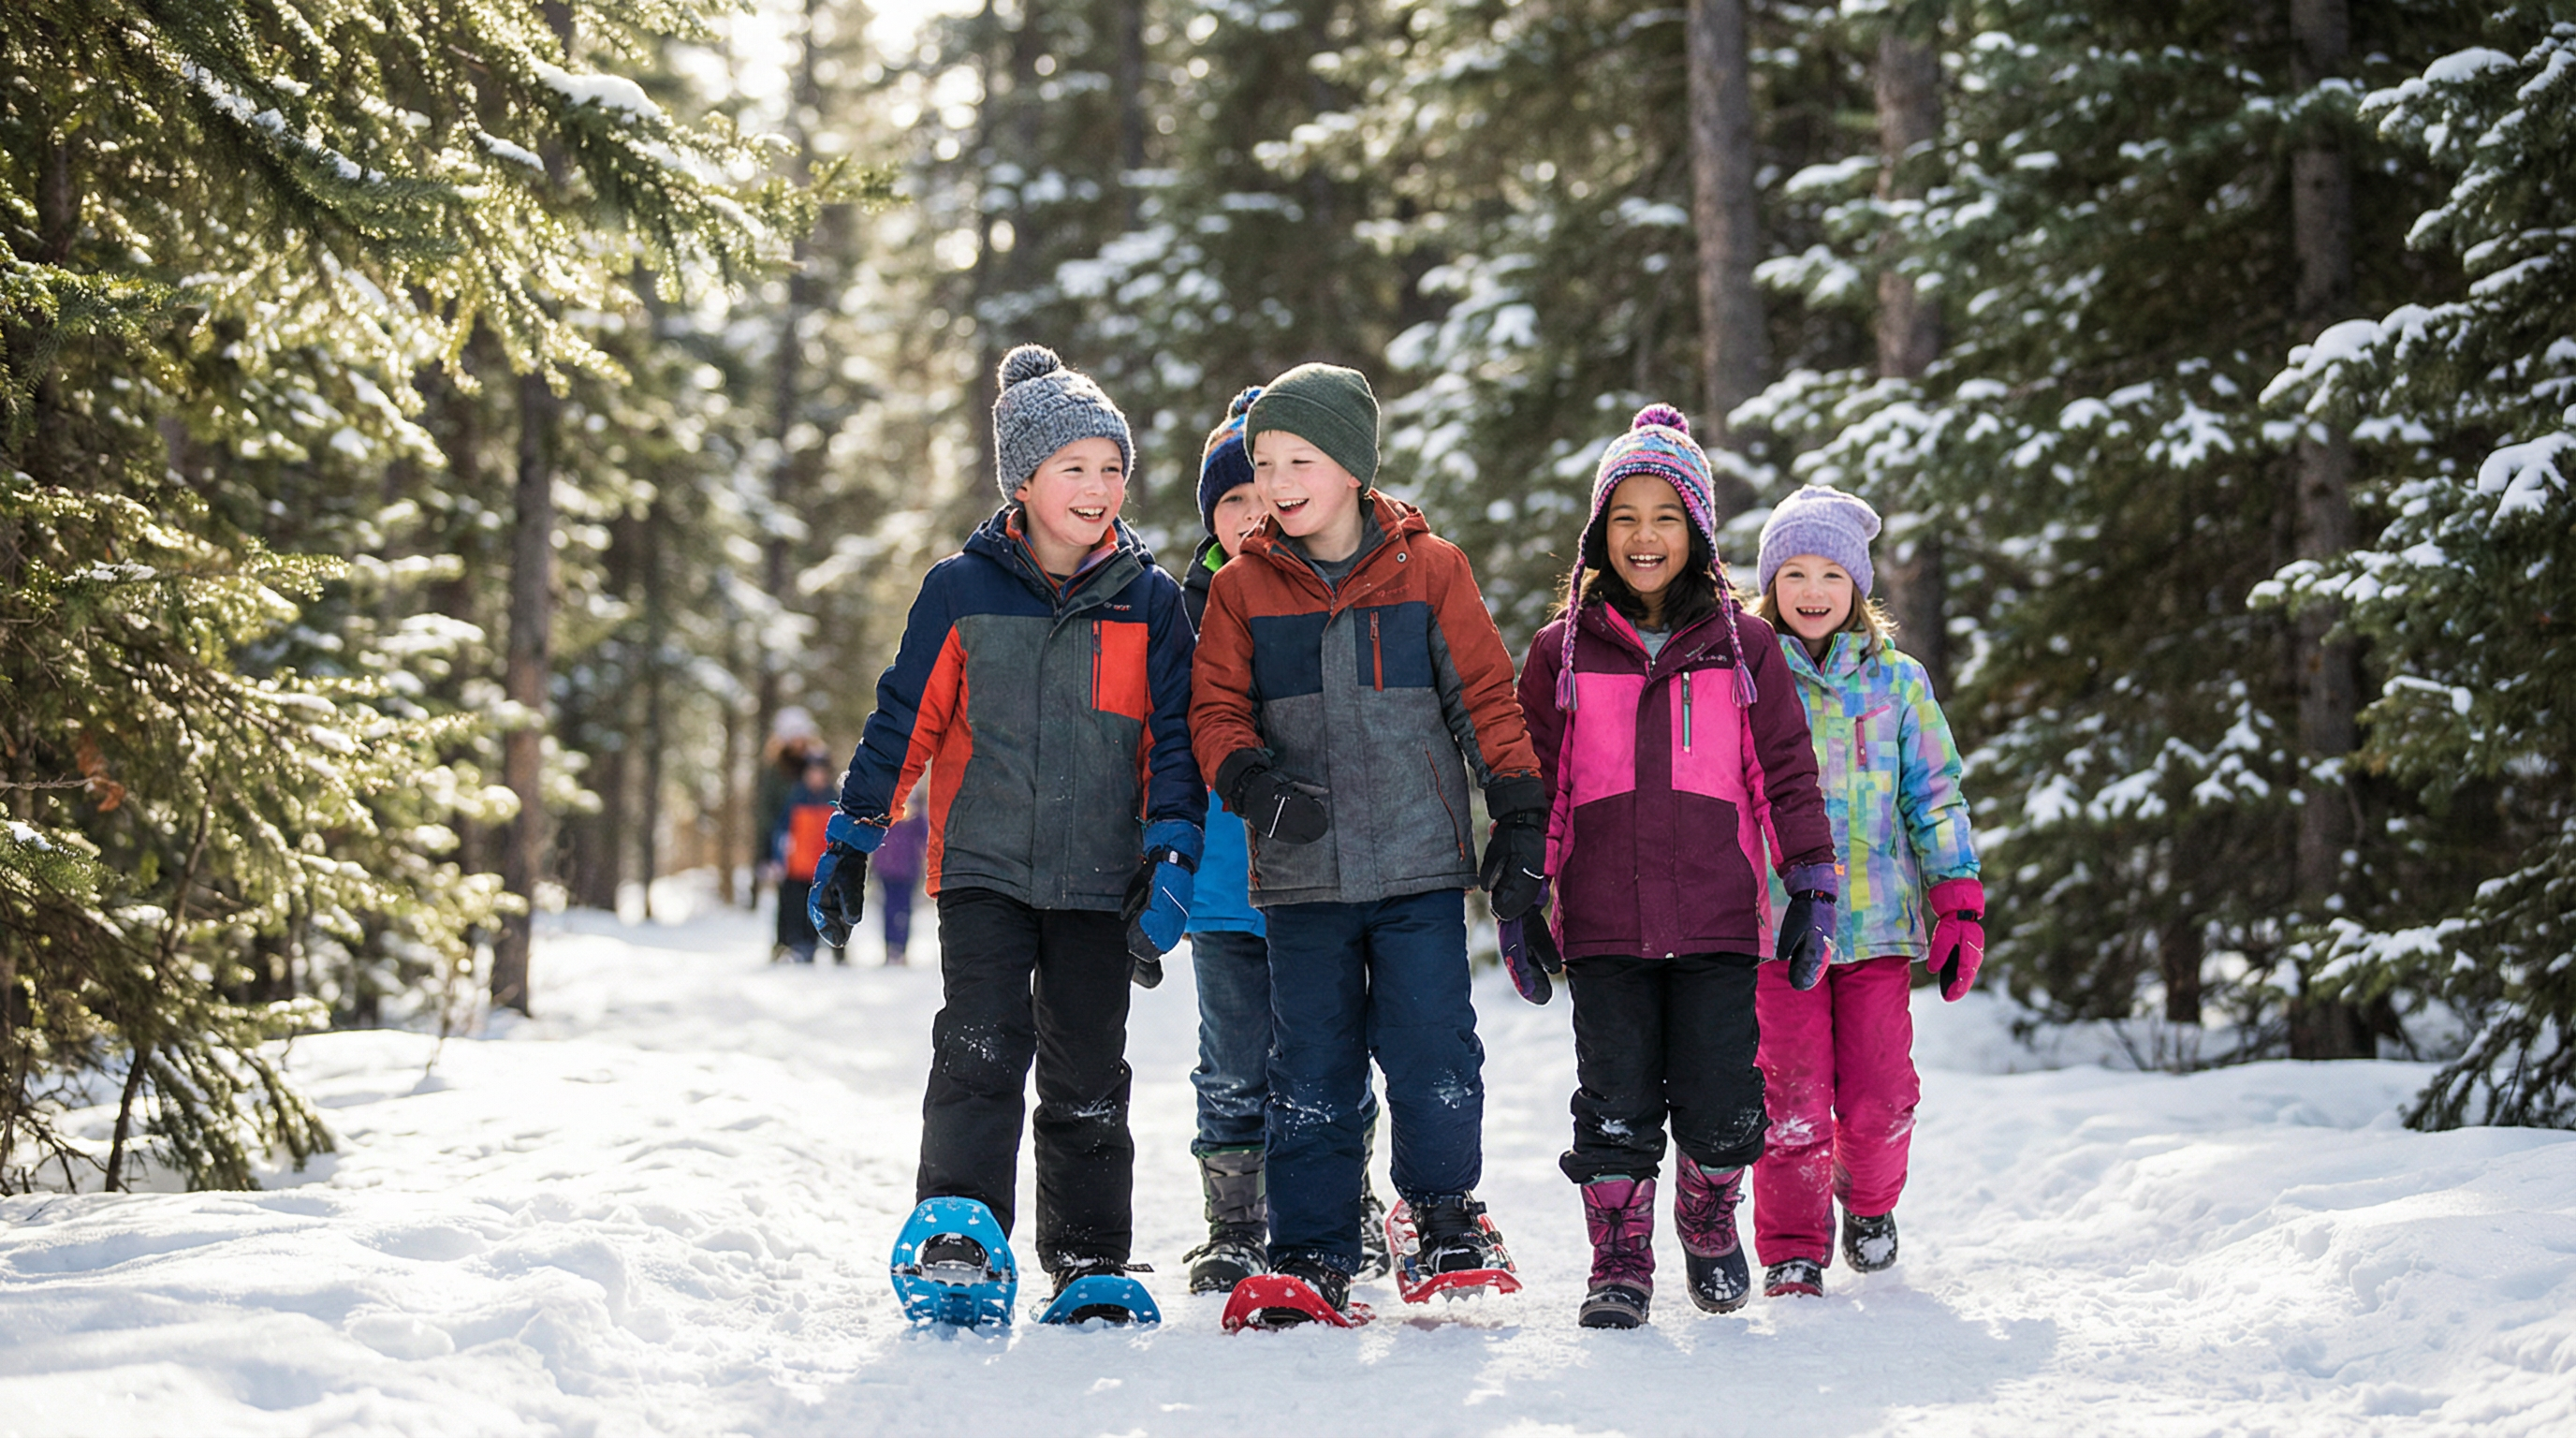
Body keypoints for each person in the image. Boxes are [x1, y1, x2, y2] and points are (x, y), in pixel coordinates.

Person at [807, 345, 1204, 1312]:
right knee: (978, 1048)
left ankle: (1089, 1258)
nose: (1100, 487)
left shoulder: (1150, 604)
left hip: (1099, 877)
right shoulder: (961, 590)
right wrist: (855, 834)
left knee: (1087, 1070)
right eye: (1075, 466)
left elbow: (1175, 747)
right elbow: (906, 716)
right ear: (1021, 481)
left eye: (1113, 468)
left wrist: (1172, 857)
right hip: (983, 866)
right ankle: (959, 1228)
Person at [1190, 361, 1545, 1323]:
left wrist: (1515, 812)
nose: (1277, 480)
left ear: (1351, 464)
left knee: (1434, 1050)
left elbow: (1484, 698)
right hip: (1301, 877)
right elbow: (1216, 710)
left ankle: (1440, 1215)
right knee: (1308, 1067)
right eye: (1263, 462)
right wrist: (1252, 782)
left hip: (1419, 865)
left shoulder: (1432, 570)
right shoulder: (1243, 590)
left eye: (1298, 458)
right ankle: (1309, 1247)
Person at [1512, 404, 1838, 1328]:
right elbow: (1533, 784)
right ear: (1597, 533)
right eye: (1624, 516)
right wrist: (1521, 894)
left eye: (1664, 516)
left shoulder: (1746, 648)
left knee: (1726, 1099)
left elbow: (1785, 771)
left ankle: (1705, 1213)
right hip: (1606, 919)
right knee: (1612, 1098)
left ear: (1695, 529)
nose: (1644, 536)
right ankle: (1618, 1261)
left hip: (1716, 919)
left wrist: (1810, 882)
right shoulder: (1559, 654)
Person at [1174, 388, 1387, 1296]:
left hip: (1323, 879)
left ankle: (1351, 1201)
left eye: (1265, 488)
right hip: (1225, 889)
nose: (1253, 509)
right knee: (1231, 1058)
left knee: (1330, 1050)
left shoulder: (1336, 591)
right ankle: (1233, 1219)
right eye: (1231, 497)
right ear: (1213, 516)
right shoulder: (1181, 614)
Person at [1748, 484, 1983, 1299]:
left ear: (1859, 587)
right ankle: (1791, 1246)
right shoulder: (1746, 673)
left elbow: (1936, 793)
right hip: (1776, 930)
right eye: (1795, 574)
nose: (1812, 592)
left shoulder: (1899, 680)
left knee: (1881, 1097)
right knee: (1791, 1098)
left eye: (1832, 576)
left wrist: (1957, 901)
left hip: (1879, 927)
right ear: (1770, 584)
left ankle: (1871, 1204)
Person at [770, 755, 842, 964]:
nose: (816, 777)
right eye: (812, 772)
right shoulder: (795, 797)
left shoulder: (833, 799)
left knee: (822, 909)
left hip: (823, 868)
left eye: (820, 772)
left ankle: (821, 945)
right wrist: (778, 858)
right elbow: (782, 832)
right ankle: (797, 945)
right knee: (795, 909)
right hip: (797, 866)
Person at [872, 793, 928, 966]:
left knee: (903, 909)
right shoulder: (885, 804)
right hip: (889, 868)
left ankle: (900, 948)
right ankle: (891, 947)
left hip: (907, 868)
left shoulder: (916, 811)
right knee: (890, 908)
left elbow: (924, 837)